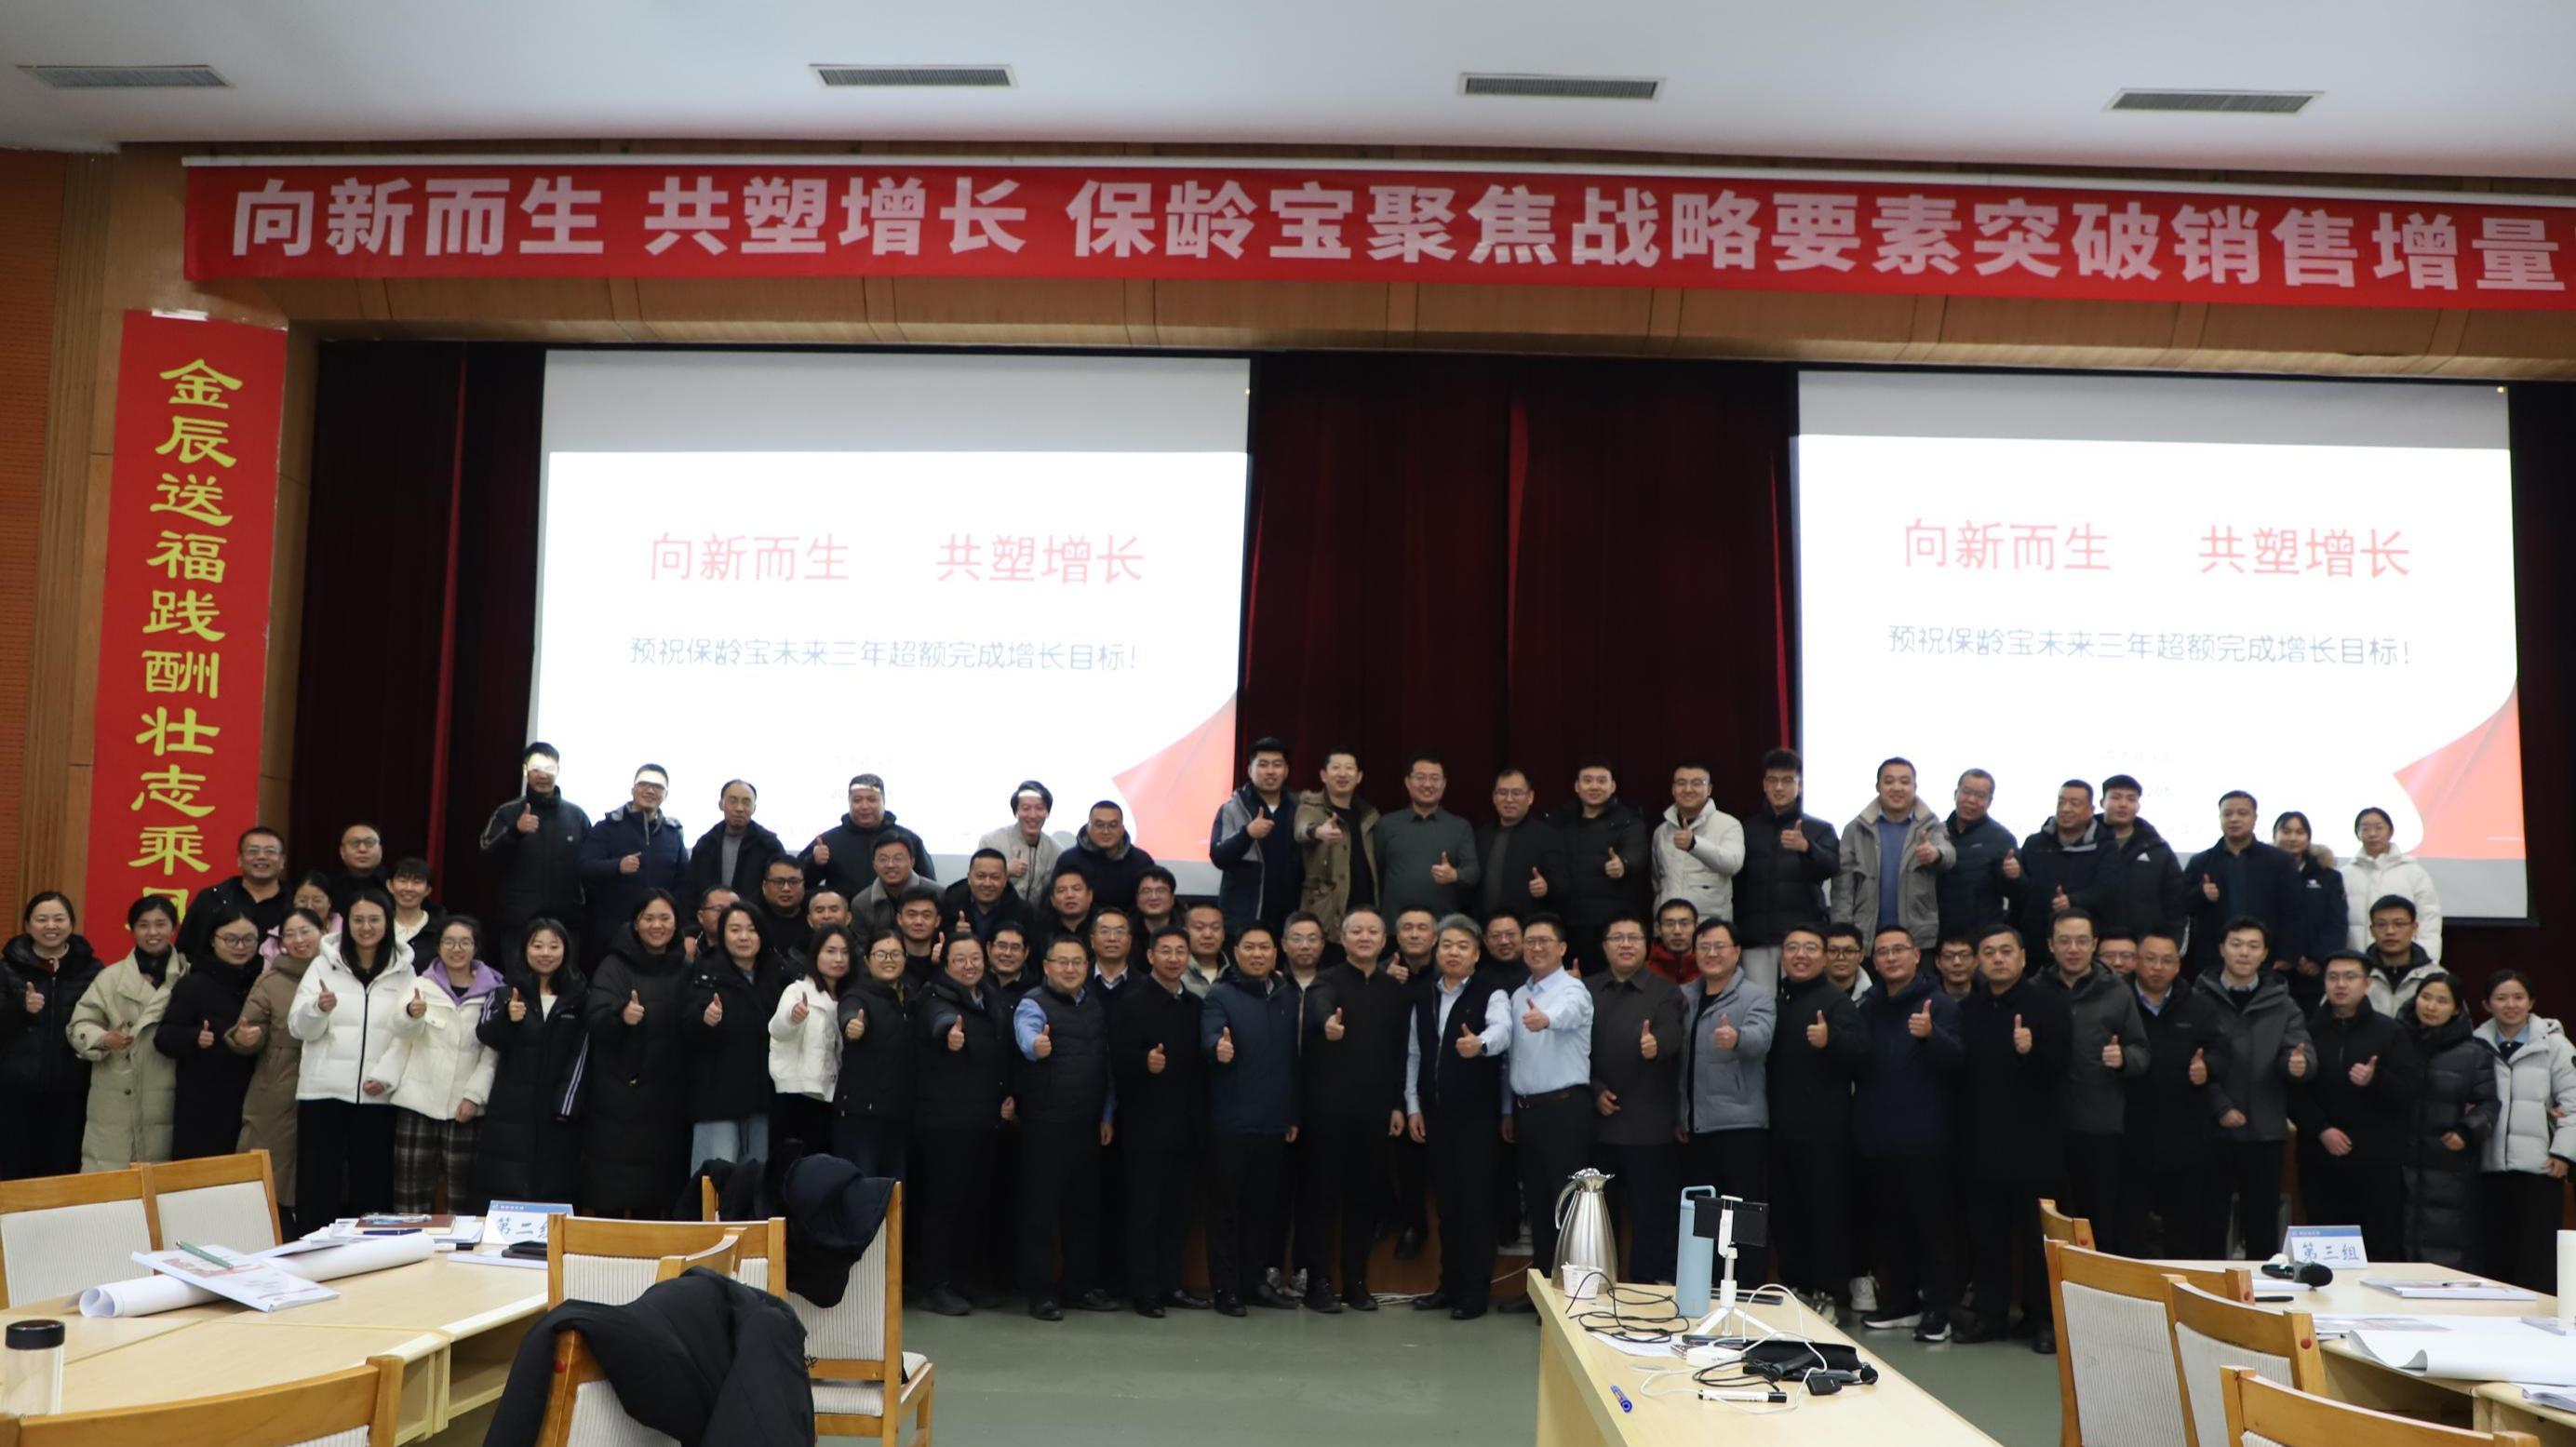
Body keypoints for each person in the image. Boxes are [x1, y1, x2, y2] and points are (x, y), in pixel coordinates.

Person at [1952, 924, 2071, 1352]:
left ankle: (2044, 1321)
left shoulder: (2048, 1003)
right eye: (1989, 952)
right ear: (1978, 961)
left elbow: (2062, 1067)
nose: (1998, 959)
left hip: (2035, 1145)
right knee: (1987, 1237)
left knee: (2038, 1240)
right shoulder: (1970, 1008)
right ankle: (1991, 1316)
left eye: (2006, 951)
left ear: (2022, 956)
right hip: (1981, 1143)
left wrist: (2031, 1051)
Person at [1295, 907, 1410, 1312]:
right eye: (1356, 931)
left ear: (1383, 940)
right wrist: (1328, 1023)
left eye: (1372, 931)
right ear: (1342, 939)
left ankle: (1356, 1282)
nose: (1364, 937)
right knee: (1321, 1200)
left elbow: (1401, 1053)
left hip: (1375, 1113)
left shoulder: (1394, 990)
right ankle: (1318, 1283)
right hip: (1327, 1111)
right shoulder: (1326, 982)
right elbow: (1319, 1007)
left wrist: (1398, 1104)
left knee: (1364, 1201)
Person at [1854, 926, 1963, 1342]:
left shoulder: (1940, 1004)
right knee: (1890, 1227)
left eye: (1898, 950)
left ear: (1917, 955)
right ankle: (1900, 1304)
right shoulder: (1870, 1006)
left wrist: (1932, 1036)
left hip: (1927, 1139)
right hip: (1880, 1138)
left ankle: (1939, 1310)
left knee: (1934, 1229)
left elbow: (1959, 1062)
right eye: (1882, 952)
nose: (1890, 957)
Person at [288, 888, 422, 1225]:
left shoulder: (403, 969)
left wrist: (386, 1075)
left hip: (377, 1093)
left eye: (374, 919)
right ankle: (312, 1244)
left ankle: (368, 1249)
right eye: (358, 920)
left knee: (372, 1184)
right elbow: (298, 1028)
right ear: (346, 923)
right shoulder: (324, 964)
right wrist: (318, 1009)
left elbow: (407, 1035)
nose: (366, 927)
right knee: (318, 1183)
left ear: (388, 923)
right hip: (323, 1092)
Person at [1408, 915, 1513, 1319]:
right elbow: (1414, 1054)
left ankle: (1474, 1293)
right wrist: (1413, 1106)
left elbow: (1503, 1030)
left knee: (1475, 1207)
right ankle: (1448, 1286)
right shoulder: (1424, 994)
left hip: (1477, 1119)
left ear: (1476, 954)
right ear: (1437, 950)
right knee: (1447, 1207)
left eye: (1463, 946)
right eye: (1447, 945)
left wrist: (1481, 1044)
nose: (1454, 952)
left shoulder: (1492, 991)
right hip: (1436, 1116)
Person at [1767, 923, 1872, 1321]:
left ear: (1825, 957)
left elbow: (1862, 1055)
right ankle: (1795, 1285)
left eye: (1810, 948)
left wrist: (1831, 1042)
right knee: (1787, 1211)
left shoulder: (1836, 1002)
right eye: (1792, 947)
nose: (1800, 955)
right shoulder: (1778, 1001)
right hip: (1780, 1128)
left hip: (1825, 1130)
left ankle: (1828, 1291)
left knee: (1825, 1212)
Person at [2194, 918, 2315, 1260]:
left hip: (2264, 1130)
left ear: (2264, 954)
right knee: (2209, 1224)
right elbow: (2190, 1061)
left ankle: (2260, 1293)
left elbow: (2302, 1054)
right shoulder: (2198, 998)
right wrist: (2220, 1107)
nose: (2244, 953)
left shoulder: (2284, 1004)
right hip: (2210, 1130)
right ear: (2222, 949)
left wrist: (2298, 1066)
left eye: (2253, 946)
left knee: (2261, 1227)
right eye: (2236, 944)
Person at [2292, 952, 2422, 1263]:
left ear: (2366, 984)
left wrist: (2376, 1079)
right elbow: (2293, 1094)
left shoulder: (2391, 1032)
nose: (2341, 984)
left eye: (2350, 977)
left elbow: (2410, 1091)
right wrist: (2321, 1129)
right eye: (2333, 977)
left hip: (2376, 1161)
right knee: (2323, 1251)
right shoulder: (2307, 1030)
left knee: (2379, 1246)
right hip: (2320, 1156)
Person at [1495, 914, 1596, 1315]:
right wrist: (1508, 1110)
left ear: (1562, 948)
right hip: (1527, 1112)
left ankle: (1567, 1298)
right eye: (1530, 941)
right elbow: (1512, 1058)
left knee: (1565, 1205)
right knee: (1537, 1205)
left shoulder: (1573, 989)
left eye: (1544, 941)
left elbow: (1568, 1014)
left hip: (1564, 1110)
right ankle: (1540, 1293)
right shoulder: (1518, 994)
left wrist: (1546, 1019)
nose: (1536, 948)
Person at [1014, 936, 1118, 1320]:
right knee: (1040, 1213)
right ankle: (1040, 1293)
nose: (1070, 969)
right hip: (1047, 1125)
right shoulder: (1033, 1004)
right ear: (1046, 966)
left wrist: (1108, 1114)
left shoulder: (1094, 1005)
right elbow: (1027, 1037)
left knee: (1084, 1211)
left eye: (1077, 962)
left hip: (1088, 1124)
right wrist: (1035, 1046)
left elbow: (1105, 1065)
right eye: (1062, 962)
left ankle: (1080, 1287)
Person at [1201, 922, 1301, 1316]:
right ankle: (1226, 1290)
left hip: (1274, 1122)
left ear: (1275, 953)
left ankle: (1254, 1283)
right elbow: (1209, 1037)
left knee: (1262, 1211)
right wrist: (1217, 1048)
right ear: (1237, 952)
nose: (1258, 954)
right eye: (1250, 947)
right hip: (1231, 1122)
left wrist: (1292, 1113)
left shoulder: (1287, 994)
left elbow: (1293, 1061)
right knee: (1226, 1212)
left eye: (1265, 947)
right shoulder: (1220, 994)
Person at [1111, 927, 1211, 1317]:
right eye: (1165, 951)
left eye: (1180, 951)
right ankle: (1144, 1290)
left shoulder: (1195, 1005)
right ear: (1150, 956)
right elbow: (1114, 1059)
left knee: (1178, 1212)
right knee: (1145, 1212)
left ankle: (1173, 1285)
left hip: (1187, 1127)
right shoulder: (1131, 1002)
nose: (1173, 958)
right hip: (1145, 1127)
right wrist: (1143, 1062)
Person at [2035, 909, 2147, 1251]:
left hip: (2100, 1122)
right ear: (2050, 945)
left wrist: (2124, 1058)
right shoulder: (2034, 990)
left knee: (2098, 1220)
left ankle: (2098, 1286)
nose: (2073, 949)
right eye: (2064, 941)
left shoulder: (2117, 991)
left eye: (2082, 941)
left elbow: (2142, 1051)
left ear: (2094, 944)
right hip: (2045, 1126)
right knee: (2050, 1224)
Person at [1670, 917, 1772, 1291]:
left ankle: (1749, 1287)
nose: (1711, 953)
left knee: (1744, 1209)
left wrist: (1738, 1037)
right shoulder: (1685, 996)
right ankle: (1709, 1285)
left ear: (1737, 951)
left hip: (1740, 1123)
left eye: (1719, 946)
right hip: (1696, 1124)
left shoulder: (1756, 996)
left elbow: (1762, 1038)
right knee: (1706, 1213)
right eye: (1704, 947)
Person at [2119, 929, 2233, 1260]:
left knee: (2184, 1230)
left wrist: (2208, 1067)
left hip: (2186, 1135)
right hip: (2128, 1134)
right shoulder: (2118, 1001)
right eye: (2150, 959)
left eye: (2167, 960)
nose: (2158, 967)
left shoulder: (2199, 1006)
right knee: (2130, 1229)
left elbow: (2222, 1052)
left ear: (2178, 965)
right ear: (2136, 961)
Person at [912, 933, 1011, 1316]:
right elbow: (939, 1023)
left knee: (975, 1204)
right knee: (945, 1204)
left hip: (983, 1119)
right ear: (946, 963)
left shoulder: (989, 997)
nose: (969, 966)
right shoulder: (934, 997)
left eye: (975, 958)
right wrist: (948, 1036)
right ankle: (935, 1284)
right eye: (960, 960)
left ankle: (966, 1278)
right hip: (945, 1122)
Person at [1585, 914, 1683, 1285]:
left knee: (1649, 1216)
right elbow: (1575, 1049)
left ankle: (1644, 1289)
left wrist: (1657, 1044)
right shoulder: (1587, 990)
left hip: (1649, 1128)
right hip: (1599, 1124)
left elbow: (1673, 1034)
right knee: (1599, 1218)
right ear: (1604, 946)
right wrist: (1594, 1089)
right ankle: (1597, 1286)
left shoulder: (1665, 991)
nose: (1625, 944)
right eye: (1617, 938)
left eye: (1633, 938)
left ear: (1646, 946)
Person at [582, 891, 691, 1216]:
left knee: (658, 1193)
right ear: (635, 923)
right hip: (620, 1095)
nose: (657, 926)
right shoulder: (614, 965)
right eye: (649, 918)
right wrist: (621, 1016)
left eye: (665, 918)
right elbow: (595, 1017)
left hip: (669, 1095)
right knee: (612, 1191)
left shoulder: (686, 968)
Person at [387, 915, 503, 1214]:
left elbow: (492, 1052)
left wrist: (475, 1097)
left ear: (476, 947)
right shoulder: (421, 984)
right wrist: (411, 1013)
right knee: (410, 1195)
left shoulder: (495, 990)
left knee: (462, 1199)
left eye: (465, 942)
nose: (456, 949)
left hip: (465, 1106)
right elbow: (399, 1030)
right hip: (418, 1102)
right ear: (438, 946)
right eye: (449, 942)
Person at [2475, 970, 2576, 1292]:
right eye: (2501, 998)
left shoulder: (2556, 1046)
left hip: (2541, 1168)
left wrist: (2563, 1153)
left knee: (2536, 1258)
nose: (2511, 1005)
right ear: (2486, 1004)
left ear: (2531, 1002)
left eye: (2518, 997)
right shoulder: (2476, 1044)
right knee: (2494, 1256)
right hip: (2488, 1167)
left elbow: (2573, 1103)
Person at [474, 918, 586, 1210]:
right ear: (524, 949)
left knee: (555, 1189)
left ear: (566, 950)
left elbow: (584, 1051)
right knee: (505, 1187)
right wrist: (507, 1018)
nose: (545, 953)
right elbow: (486, 1035)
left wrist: (567, 1104)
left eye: (553, 946)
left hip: (558, 1112)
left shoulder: (579, 997)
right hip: (510, 1109)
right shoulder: (503, 992)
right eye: (537, 946)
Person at [71, 897, 185, 1172]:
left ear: (174, 928)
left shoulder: (188, 977)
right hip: (115, 1092)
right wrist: (102, 1038)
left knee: (162, 1179)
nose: (152, 932)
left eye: (161, 924)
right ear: (132, 929)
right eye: (143, 925)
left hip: (168, 1088)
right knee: (110, 1180)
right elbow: (79, 1024)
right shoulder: (110, 977)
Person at [0, 891, 101, 1178]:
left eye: (59, 918)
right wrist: (20, 1009)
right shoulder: (6, 969)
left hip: (72, 1090)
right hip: (15, 1091)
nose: (51, 926)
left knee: (62, 1172)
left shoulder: (92, 969)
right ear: (27, 925)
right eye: (42, 919)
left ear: (71, 923)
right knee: (14, 1172)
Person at [235, 907, 324, 1228]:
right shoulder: (270, 982)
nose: (299, 940)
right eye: (290, 934)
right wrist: (245, 1038)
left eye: (306, 931)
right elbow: (247, 1030)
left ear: (323, 933)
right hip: (277, 1087)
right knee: (270, 1174)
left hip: (326, 1085)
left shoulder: (341, 975)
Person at [680, 903, 786, 1169]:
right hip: (717, 1097)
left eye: (751, 930)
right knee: (715, 1176)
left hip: (763, 1096)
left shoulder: (778, 973)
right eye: (735, 930)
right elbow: (686, 1022)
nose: (743, 937)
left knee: (755, 1176)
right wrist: (706, 1019)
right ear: (722, 934)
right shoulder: (705, 972)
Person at [160, 900, 265, 1161]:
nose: (240, 947)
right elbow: (164, 1037)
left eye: (248, 939)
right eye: (230, 939)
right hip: (204, 1104)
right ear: (212, 940)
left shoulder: (264, 982)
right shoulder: (194, 984)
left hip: (254, 1101)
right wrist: (194, 1037)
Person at [2401, 973, 2493, 1270]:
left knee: (2445, 1247)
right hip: (2399, 1162)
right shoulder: (2396, 1041)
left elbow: (2488, 1104)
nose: (2431, 1006)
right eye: (2426, 997)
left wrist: (2466, 1131)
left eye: (2442, 1001)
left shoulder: (2474, 1053)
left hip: (2449, 1164)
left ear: (2456, 1009)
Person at [1737, 749, 1840, 992]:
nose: (1779, 788)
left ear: (1800, 785)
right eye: (1772, 780)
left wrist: (1807, 848)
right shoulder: (1746, 829)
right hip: (1756, 938)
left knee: (1801, 1001)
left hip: (1802, 935)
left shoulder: (1820, 829)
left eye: (1787, 781)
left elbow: (1832, 866)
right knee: (1758, 1003)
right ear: (1764, 785)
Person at [479, 744, 588, 960]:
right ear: (525, 770)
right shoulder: (508, 812)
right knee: (518, 979)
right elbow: (486, 852)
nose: (543, 775)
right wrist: (515, 831)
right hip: (519, 922)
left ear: (558, 771)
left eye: (549, 768)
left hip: (566, 923)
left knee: (565, 981)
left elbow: (589, 865)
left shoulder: (577, 816)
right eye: (536, 768)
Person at [1832, 757, 1953, 951]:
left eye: (1904, 782)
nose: (1897, 788)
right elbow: (1843, 887)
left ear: (1915, 787)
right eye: (1889, 782)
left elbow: (1949, 854)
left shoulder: (1931, 826)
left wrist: (1936, 854)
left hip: (1917, 939)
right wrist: (1842, 933)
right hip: (1867, 937)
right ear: (1878, 786)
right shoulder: (1856, 829)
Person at [577, 766, 688, 966]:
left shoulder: (673, 834)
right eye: (644, 784)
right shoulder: (607, 827)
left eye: (658, 787)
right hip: (611, 934)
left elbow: (684, 882)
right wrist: (617, 866)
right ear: (633, 789)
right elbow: (583, 868)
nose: (650, 790)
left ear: (666, 794)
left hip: (658, 935)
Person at [2185, 792, 2303, 978]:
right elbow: (2181, 906)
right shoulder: (2201, 862)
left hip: (2266, 958)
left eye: (2242, 813)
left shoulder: (2279, 861)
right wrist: (2200, 894)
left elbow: (2294, 911)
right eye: (2227, 814)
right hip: (2212, 959)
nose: (2234, 819)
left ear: (2255, 818)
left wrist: (2288, 953)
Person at [1546, 759, 1647, 971]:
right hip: (1570, 923)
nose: (1594, 786)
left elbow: (1636, 852)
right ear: (1577, 786)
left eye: (1601, 781)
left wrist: (1624, 864)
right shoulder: (1561, 822)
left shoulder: (1628, 820)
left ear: (1613, 786)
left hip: (1611, 924)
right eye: (1588, 780)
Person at [833, 929, 913, 1176]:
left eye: (895, 953)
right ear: (867, 960)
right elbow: (850, 1013)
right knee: (863, 1184)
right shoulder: (857, 994)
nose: (889, 959)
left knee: (895, 1186)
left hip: (900, 1111)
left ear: (905, 958)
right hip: (862, 1113)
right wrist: (852, 1026)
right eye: (881, 954)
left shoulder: (911, 996)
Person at [767, 923, 850, 1160]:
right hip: (796, 1094)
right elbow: (777, 1029)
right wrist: (793, 1016)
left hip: (832, 1097)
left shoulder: (850, 996)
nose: (838, 959)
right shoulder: (798, 990)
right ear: (815, 955)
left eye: (844, 952)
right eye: (830, 951)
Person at [1212, 736, 1303, 936]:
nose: (1270, 771)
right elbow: (1218, 856)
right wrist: (1247, 834)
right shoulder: (1232, 808)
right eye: (1262, 765)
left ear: (1286, 771)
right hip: (1245, 916)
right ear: (1249, 770)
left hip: (1290, 916)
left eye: (1277, 765)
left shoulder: (1300, 808)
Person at [1375, 752, 1481, 925]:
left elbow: (1473, 872)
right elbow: (1377, 871)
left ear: (1444, 783)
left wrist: (1454, 874)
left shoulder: (1460, 827)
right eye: (1420, 777)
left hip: (1442, 926)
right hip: (1395, 925)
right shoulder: (1386, 824)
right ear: (1407, 782)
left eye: (1434, 778)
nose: (1427, 784)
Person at [2007, 780, 2109, 957]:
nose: (2066, 809)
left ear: (2091, 810)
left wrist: (2073, 901)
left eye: (2074, 803)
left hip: (2082, 945)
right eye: (2061, 802)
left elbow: (2108, 889)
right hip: (2035, 942)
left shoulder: (2105, 846)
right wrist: (2014, 876)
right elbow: (2021, 894)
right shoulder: (2034, 844)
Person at [801, 773, 934, 900]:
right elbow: (797, 885)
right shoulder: (827, 841)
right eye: (857, 800)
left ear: (883, 801)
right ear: (849, 803)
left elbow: (929, 885)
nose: (864, 806)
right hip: (846, 914)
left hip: (897, 914)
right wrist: (813, 862)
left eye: (872, 799)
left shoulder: (908, 839)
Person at [2093, 775, 2188, 945]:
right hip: (2090, 945)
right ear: (2102, 802)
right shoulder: (2083, 843)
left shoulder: (2157, 849)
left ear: (2138, 806)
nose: (2123, 804)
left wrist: (2172, 943)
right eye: (2116, 797)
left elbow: (2175, 904)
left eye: (2131, 799)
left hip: (2144, 946)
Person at [1293, 749, 1379, 935]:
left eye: (1349, 768)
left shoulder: (1369, 815)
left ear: (1359, 777)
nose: (1342, 773)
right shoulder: (1310, 808)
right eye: (1336, 768)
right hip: (1326, 911)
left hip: (1365, 908)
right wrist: (1317, 832)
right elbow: (1302, 829)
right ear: (1323, 775)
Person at [1651, 759, 1744, 931]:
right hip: (1669, 928)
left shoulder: (1728, 824)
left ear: (1709, 789)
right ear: (1673, 789)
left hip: (1711, 928)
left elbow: (1733, 864)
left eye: (1696, 783)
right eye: (1681, 783)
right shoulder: (1661, 831)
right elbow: (1658, 881)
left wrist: (1695, 844)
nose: (1688, 789)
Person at [177, 825, 291, 964]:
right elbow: (185, 952)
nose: (261, 857)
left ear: (282, 861)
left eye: (270, 852)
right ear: (239, 859)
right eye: (253, 851)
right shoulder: (212, 898)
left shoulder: (294, 903)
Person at [2343, 807, 2444, 962]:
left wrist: (2428, 960)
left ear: (2390, 832)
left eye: (2379, 828)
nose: (2372, 834)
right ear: (2358, 834)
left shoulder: (2413, 872)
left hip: (2405, 961)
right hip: (2358, 962)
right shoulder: (2346, 874)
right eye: (2365, 829)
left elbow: (2429, 918)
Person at [2272, 811, 2348, 1011]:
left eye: (2300, 832)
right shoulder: (2262, 872)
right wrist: (2286, 955)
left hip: (2314, 972)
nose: (2292, 838)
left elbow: (2336, 923)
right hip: (2273, 968)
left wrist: (2316, 959)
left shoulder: (2328, 877)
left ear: (2308, 838)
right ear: (2275, 835)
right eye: (2286, 831)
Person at [1938, 770, 2016, 945]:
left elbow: (2017, 894)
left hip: (1981, 936)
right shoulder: (1936, 833)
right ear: (1956, 794)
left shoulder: (2002, 839)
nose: (1972, 800)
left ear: (1990, 801)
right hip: (1939, 936)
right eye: (1966, 792)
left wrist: (2014, 876)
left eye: (1980, 796)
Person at [1477, 768, 1562, 923]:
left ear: (1530, 797)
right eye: (1502, 793)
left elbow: (1563, 885)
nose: (1509, 799)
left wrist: (1546, 887)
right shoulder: (1482, 834)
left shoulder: (1546, 836)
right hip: (1487, 926)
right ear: (1494, 797)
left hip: (1529, 926)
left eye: (1516, 793)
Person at [687, 780, 785, 904]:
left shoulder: (769, 845)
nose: (739, 808)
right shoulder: (705, 845)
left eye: (746, 802)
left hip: (754, 915)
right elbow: (691, 889)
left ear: (754, 808)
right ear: (721, 804)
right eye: (733, 801)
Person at [1065, 801, 1157, 915]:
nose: (1106, 831)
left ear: (1122, 829)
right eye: (1099, 825)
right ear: (1088, 827)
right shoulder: (1069, 861)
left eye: (1113, 825)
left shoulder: (1141, 861)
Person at [979, 780, 1060, 907]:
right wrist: (1005, 872)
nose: (1033, 815)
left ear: (1047, 812)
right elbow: (976, 883)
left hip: (1036, 917)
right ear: (1016, 811)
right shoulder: (991, 841)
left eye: (1039, 808)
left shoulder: (1056, 851)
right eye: (1026, 808)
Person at [2361, 895, 2443, 1019]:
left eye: (2399, 924)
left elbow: (2457, 1025)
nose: (2390, 931)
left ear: (2414, 928)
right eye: (2381, 924)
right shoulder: (2355, 975)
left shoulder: (2436, 976)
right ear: (2372, 931)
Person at [939, 850, 1027, 947]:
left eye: (995, 877)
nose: (987, 883)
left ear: (1005, 879)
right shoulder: (949, 904)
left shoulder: (1022, 911)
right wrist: (954, 936)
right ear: (969, 878)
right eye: (981, 876)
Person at [854, 837, 933, 936]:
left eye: (898, 859)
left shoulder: (937, 894)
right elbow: (861, 944)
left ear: (912, 862)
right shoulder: (862, 903)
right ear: (874, 865)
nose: (890, 865)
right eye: (883, 859)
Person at [749, 857, 811, 958]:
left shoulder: (816, 913)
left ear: (803, 885)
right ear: (764, 886)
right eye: (778, 882)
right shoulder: (750, 916)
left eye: (794, 882)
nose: (786, 888)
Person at [327, 823, 390, 913]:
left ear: (380, 850)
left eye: (369, 843)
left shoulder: (395, 884)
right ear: (342, 851)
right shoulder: (329, 885)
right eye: (354, 843)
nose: (362, 849)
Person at [386, 858, 441, 954]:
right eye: (403, 881)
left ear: (428, 890)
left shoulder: (440, 928)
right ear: (390, 885)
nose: (409, 888)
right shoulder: (379, 926)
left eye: (417, 882)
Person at [1038, 867, 1098, 955]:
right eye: (1061, 890)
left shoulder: (1102, 927)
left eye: (1076, 889)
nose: (1070, 895)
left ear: (1090, 895)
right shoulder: (1040, 932)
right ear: (1052, 900)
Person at [1181, 903, 1231, 998]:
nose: (1208, 935)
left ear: (1223, 934)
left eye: (1215, 928)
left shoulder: (1235, 976)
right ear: (1185, 933)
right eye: (1199, 928)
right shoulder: (1172, 974)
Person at [1645, 899, 1697, 986]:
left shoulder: (1710, 969)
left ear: (1696, 927)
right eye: (1669, 924)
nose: (1677, 931)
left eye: (1684, 924)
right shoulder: (1645, 973)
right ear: (1658, 929)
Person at [1933, 932, 1979, 1002]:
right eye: (1948, 956)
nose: (1957, 962)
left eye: (1964, 955)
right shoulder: (1925, 998)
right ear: (1938, 962)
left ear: (1976, 961)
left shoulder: (1989, 995)